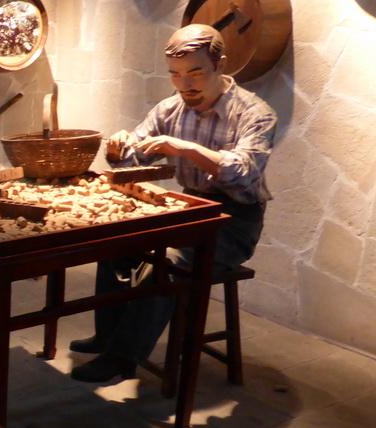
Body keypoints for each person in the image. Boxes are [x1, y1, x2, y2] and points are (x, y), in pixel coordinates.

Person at [69, 23, 277, 383]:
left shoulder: (255, 113)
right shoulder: (171, 108)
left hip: (233, 221)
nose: (185, 85)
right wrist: (119, 150)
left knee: (167, 263)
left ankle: (122, 357)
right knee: (116, 242)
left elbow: (244, 173)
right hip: (187, 207)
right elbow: (135, 156)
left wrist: (188, 149)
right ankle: (108, 336)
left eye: (195, 73)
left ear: (220, 66)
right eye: (175, 75)